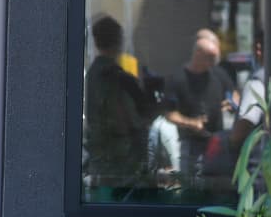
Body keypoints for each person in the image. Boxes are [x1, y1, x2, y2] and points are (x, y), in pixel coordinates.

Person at [85, 15, 153, 192]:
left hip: (101, 159)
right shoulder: (115, 77)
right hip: (119, 164)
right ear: (119, 41)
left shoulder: (93, 73)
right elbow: (124, 119)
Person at [162, 30, 237, 178]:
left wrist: (231, 103)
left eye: (215, 58)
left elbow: (234, 93)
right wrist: (192, 123)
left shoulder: (218, 73)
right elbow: (169, 113)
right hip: (190, 144)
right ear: (198, 53)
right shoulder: (176, 78)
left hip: (216, 142)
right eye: (210, 58)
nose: (213, 62)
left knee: (216, 185)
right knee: (191, 187)